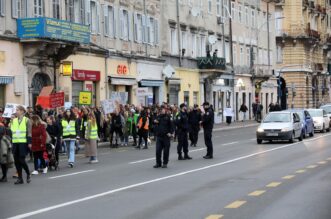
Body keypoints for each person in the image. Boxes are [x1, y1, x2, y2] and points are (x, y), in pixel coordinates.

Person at [10, 105, 31, 184]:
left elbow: (29, 132)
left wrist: (29, 142)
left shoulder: (27, 120)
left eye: (18, 110)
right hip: (15, 143)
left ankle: (28, 174)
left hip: (23, 143)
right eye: (16, 110)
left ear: (22, 111)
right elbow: (11, 131)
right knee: (16, 161)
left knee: (21, 160)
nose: (16, 111)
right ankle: (20, 178)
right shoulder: (14, 120)